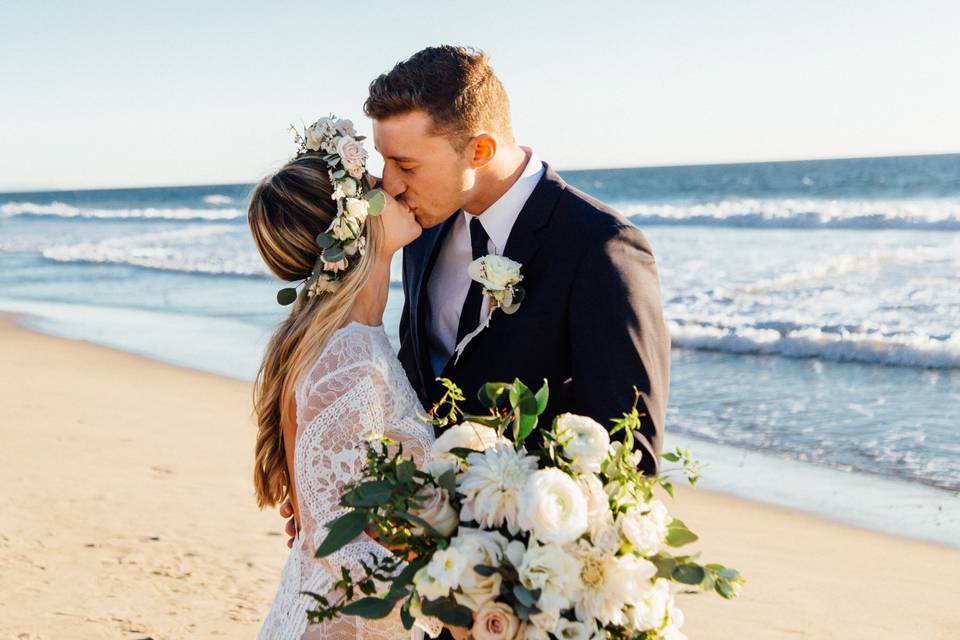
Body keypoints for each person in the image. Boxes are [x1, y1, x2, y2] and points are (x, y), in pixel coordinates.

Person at [248, 133, 440, 639]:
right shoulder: (347, 356)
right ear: (350, 226)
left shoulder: (352, 341)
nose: (393, 187)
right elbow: (335, 536)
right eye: (373, 185)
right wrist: (454, 593)